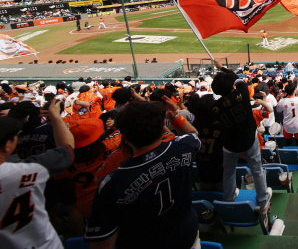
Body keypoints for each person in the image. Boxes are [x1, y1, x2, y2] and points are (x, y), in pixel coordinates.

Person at [84, 99, 203, 248]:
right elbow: (193, 134)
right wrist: (173, 117)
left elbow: (103, 243)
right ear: (162, 129)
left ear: (125, 137)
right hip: (186, 236)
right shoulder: (182, 149)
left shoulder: (113, 183)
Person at [0, 98, 75, 249]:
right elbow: (67, 149)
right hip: (42, 241)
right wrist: (55, 116)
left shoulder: (20, 145)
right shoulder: (29, 168)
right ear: (7, 145)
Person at [209, 72, 272, 213]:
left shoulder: (214, 106)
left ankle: (229, 199)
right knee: (257, 169)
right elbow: (239, 79)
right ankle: (262, 200)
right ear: (231, 86)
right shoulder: (242, 94)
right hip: (249, 141)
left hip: (230, 144)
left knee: (229, 173)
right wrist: (223, 69)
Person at [276, 78, 298, 146]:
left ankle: (288, 154)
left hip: (287, 126)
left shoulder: (282, 101)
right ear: (294, 91)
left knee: (287, 142)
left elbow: (278, 110)